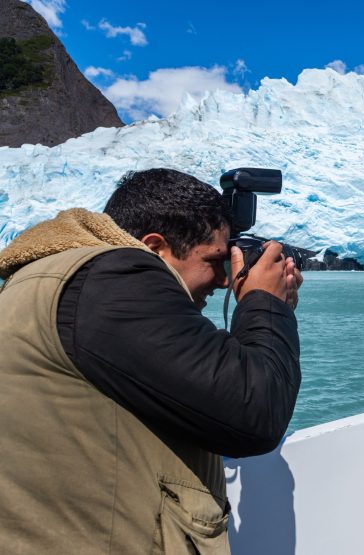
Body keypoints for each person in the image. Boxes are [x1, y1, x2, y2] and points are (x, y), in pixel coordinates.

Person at [0, 168, 302, 554]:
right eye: (215, 260)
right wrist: (266, 303)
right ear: (155, 247)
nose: (224, 280)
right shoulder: (114, 281)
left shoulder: (60, 279)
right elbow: (256, 410)